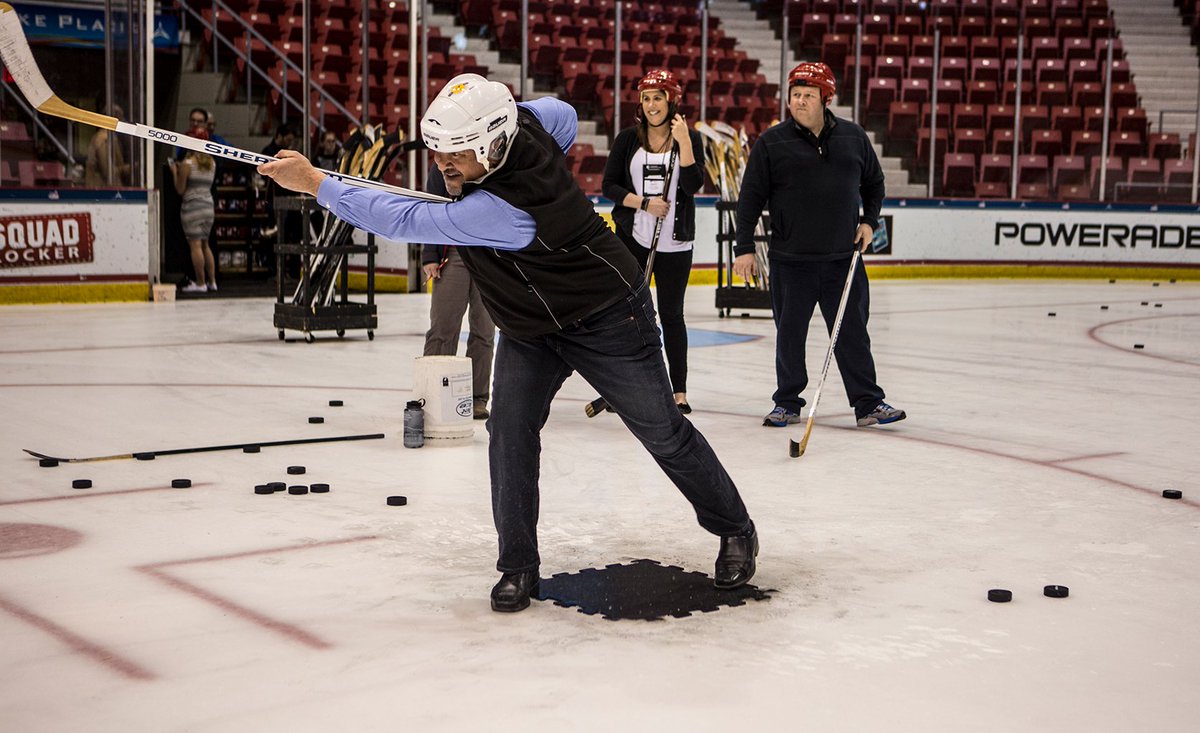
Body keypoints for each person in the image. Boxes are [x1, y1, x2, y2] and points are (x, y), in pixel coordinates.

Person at [259, 73, 758, 613]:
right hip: (530, 327)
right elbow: (563, 114)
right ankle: (517, 565)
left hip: (607, 314)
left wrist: (315, 183)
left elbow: (400, 218)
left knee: (662, 431)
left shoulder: (501, 211)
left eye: (458, 153)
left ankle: (736, 528)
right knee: (508, 432)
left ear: (494, 143)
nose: (444, 164)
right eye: (439, 150)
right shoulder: (531, 121)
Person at [734, 62, 905, 429]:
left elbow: (874, 184)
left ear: (825, 98)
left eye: (808, 95)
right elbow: (750, 198)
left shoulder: (853, 137)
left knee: (853, 333)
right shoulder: (772, 142)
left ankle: (868, 404)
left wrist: (869, 221)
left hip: (842, 260)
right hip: (790, 261)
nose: (799, 101)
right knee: (790, 336)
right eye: (795, 95)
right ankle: (787, 404)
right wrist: (743, 247)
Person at [602, 69, 704, 413]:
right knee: (629, 314)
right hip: (634, 240)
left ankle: (679, 392)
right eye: (645, 98)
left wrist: (685, 141)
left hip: (675, 245)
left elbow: (693, 185)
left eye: (658, 97)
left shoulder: (688, 139)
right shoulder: (627, 139)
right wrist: (644, 203)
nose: (651, 105)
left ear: (671, 100)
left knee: (672, 315)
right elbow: (609, 187)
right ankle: (626, 387)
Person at [421, 237, 496, 420]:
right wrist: (430, 254)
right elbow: (434, 209)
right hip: (454, 251)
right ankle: (432, 396)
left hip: (490, 257)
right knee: (442, 331)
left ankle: (477, 399)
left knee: (484, 332)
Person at [170, 127, 218, 293]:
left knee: (195, 246)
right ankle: (212, 281)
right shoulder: (212, 163)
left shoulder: (187, 163)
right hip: (208, 206)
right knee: (206, 245)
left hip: (192, 207)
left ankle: (200, 282)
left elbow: (180, 189)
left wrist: (175, 172)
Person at [84, 105, 129, 186]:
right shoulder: (104, 139)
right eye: (120, 119)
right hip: (102, 190)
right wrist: (128, 168)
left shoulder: (109, 138)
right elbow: (108, 172)